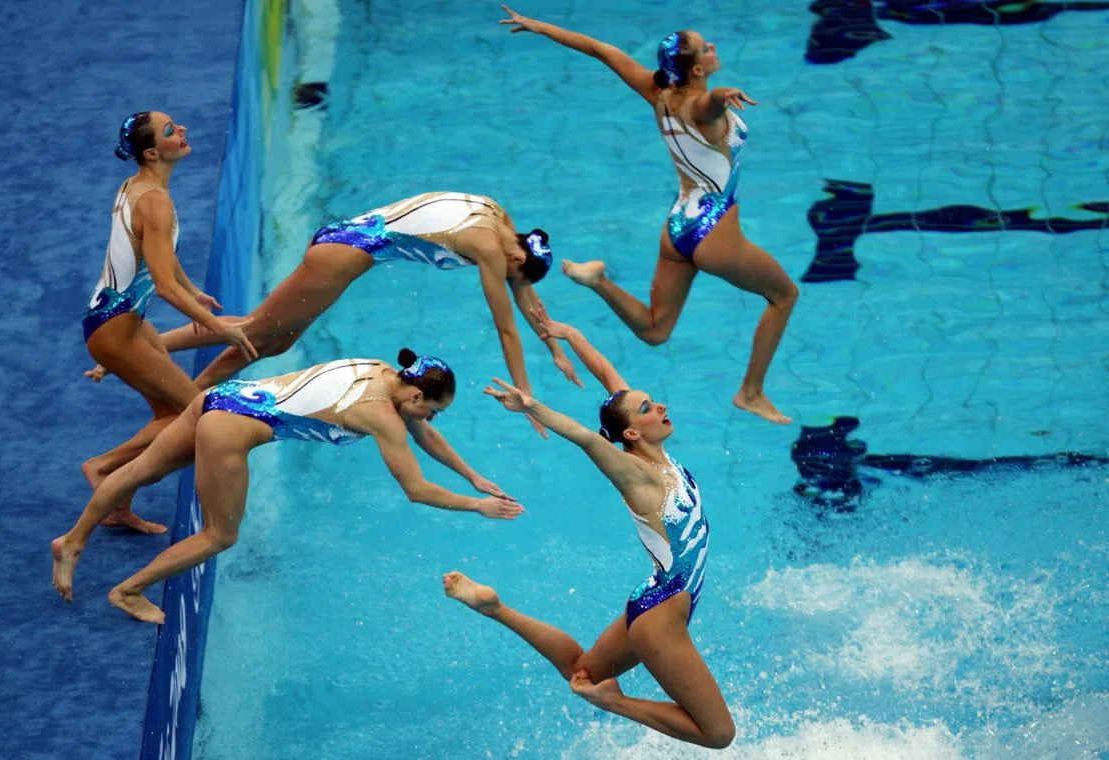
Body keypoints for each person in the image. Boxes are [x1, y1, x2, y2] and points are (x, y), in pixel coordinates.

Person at [53, 349, 522, 623]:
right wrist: (477, 505)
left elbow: (422, 432)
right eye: (433, 410)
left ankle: (72, 541)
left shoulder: (384, 373)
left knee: (141, 471)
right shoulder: (381, 415)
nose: (431, 419)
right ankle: (129, 591)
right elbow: (415, 490)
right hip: (228, 430)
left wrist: (472, 475)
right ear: (417, 395)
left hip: (219, 399)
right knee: (219, 536)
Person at [444, 307, 735, 748]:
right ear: (631, 434)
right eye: (647, 408)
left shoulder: (657, 456)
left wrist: (572, 334)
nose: (660, 407)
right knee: (718, 733)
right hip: (662, 617)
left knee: (582, 672)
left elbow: (609, 378)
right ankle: (616, 702)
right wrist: (532, 406)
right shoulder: (636, 475)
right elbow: (584, 437)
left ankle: (493, 606)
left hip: (652, 598)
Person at [499, 6, 800, 424]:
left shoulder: (659, 94)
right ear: (697, 69)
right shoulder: (700, 105)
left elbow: (602, 50)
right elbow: (710, 104)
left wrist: (539, 26)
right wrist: (722, 94)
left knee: (656, 330)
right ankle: (751, 392)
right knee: (785, 296)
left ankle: (598, 281)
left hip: (677, 228)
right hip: (714, 231)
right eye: (706, 48)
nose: (713, 47)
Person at [109, 191, 584, 436]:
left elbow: (525, 294)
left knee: (278, 338)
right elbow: (506, 329)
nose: (508, 280)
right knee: (257, 331)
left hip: (343, 247)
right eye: (511, 275)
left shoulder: (501, 222)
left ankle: (174, 378)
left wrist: (554, 347)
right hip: (343, 256)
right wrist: (527, 396)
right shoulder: (489, 250)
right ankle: (175, 387)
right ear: (515, 258)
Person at [81, 111, 256, 532]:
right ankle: (103, 467)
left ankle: (119, 502)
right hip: (116, 329)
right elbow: (163, 286)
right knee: (192, 413)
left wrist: (192, 288)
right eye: (169, 131)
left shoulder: (138, 186)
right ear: (152, 153)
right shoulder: (155, 202)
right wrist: (219, 327)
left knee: (170, 414)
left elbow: (158, 254)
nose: (182, 130)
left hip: (120, 321)